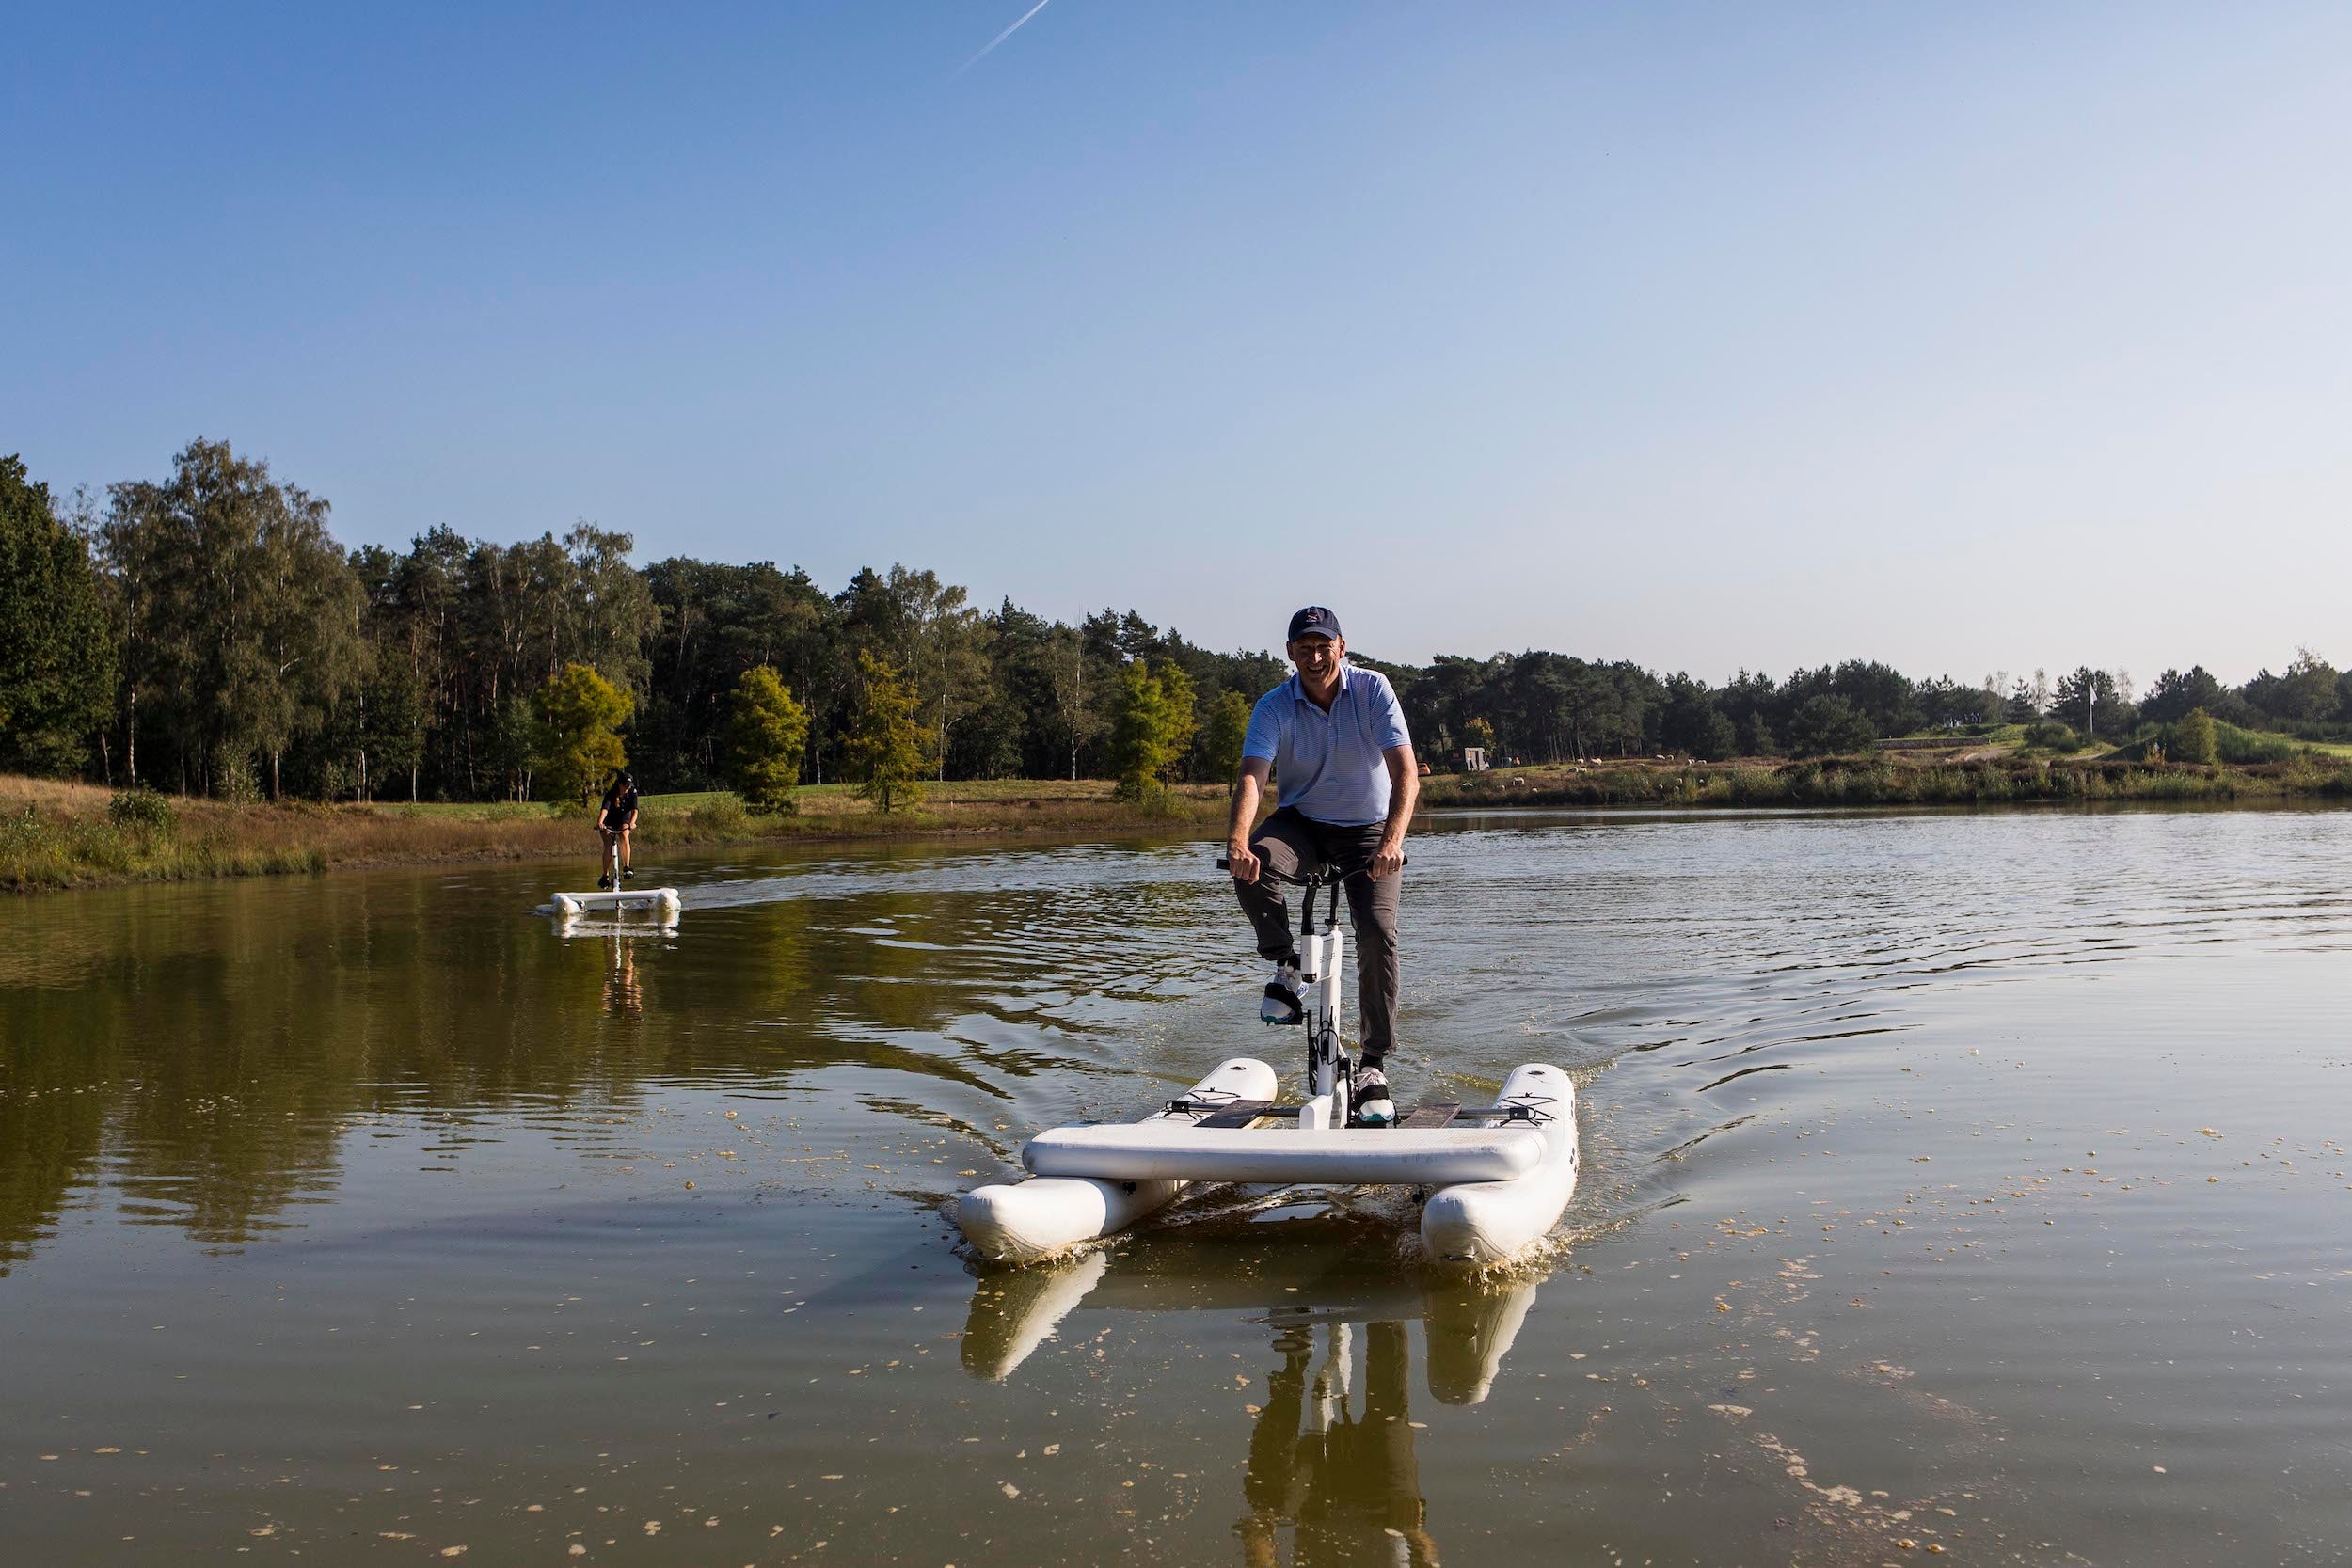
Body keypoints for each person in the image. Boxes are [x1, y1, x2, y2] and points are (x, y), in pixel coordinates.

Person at [1225, 607, 1418, 1124]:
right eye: (1304, 647)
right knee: (1255, 864)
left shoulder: (1374, 690)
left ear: (1341, 646)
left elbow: (1406, 775)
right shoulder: (1273, 706)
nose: (1314, 656)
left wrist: (1393, 840)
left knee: (1376, 928)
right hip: (1303, 823)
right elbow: (1252, 777)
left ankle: (1374, 1065)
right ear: (1290, 652)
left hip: (1369, 830)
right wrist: (1238, 840)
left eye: (1323, 646)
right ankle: (1289, 965)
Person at [596, 768, 639, 888]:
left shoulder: (632, 792)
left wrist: (632, 823)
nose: (627, 789)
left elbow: (635, 810)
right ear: (619, 784)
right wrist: (600, 822)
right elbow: (605, 809)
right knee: (608, 845)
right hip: (609, 820)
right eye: (625, 786)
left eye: (628, 786)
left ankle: (627, 867)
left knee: (625, 835)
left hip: (623, 818)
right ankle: (605, 875)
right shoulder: (611, 793)